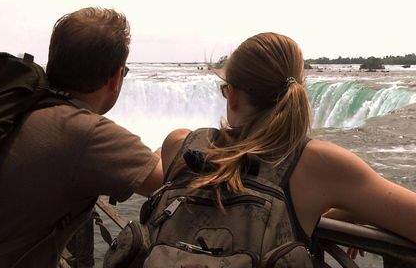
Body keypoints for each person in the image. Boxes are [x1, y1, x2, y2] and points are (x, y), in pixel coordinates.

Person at [161, 32, 416, 258]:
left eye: (226, 89)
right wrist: (353, 211)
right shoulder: (318, 165)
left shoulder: (180, 145)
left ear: (235, 96)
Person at [0, 7, 163, 267]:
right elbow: (168, 180)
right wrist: (169, 147)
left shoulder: (18, 103)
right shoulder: (87, 133)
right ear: (116, 77)